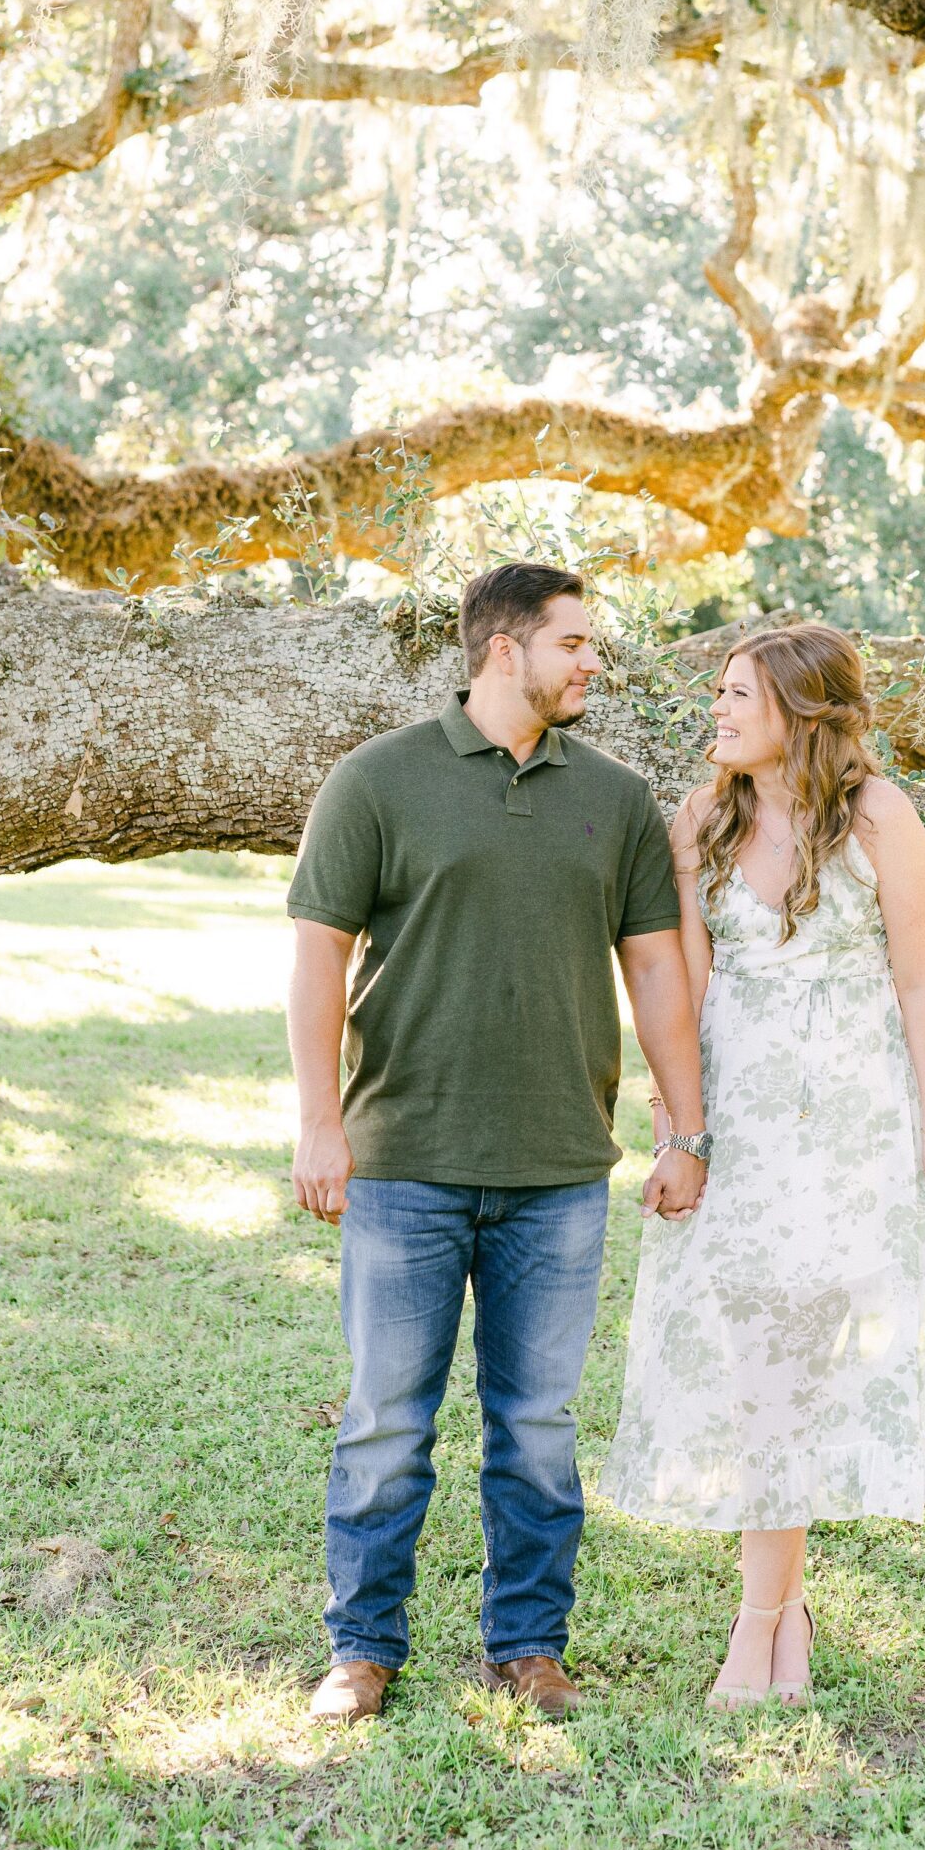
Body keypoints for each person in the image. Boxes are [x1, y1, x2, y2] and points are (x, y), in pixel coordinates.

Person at [286, 561, 711, 1723]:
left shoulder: (615, 797)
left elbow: (659, 970)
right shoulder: (377, 780)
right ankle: (361, 1649)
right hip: (403, 1160)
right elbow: (317, 952)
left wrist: (687, 1126)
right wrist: (319, 1120)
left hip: (559, 1174)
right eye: (573, 643)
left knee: (534, 1430)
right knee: (384, 1419)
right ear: (500, 650)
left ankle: (527, 1645)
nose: (591, 663)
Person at [602, 623, 925, 1705]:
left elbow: (919, 987)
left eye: (736, 696)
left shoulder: (879, 817)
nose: (714, 712)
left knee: (806, 1366)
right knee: (755, 1361)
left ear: (802, 713)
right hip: (742, 1130)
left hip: (851, 1127)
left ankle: (768, 1614)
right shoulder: (703, 818)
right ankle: (774, 1609)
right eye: (715, 693)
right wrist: (681, 1131)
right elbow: (684, 994)